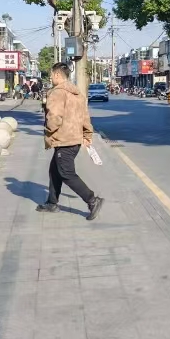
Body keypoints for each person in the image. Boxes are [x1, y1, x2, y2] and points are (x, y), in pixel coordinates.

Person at [39, 62, 104, 220]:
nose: (51, 78)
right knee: (54, 171)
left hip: (64, 140)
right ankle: (52, 203)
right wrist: (87, 135)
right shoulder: (77, 94)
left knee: (66, 173)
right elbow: (85, 117)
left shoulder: (57, 93)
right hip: (74, 139)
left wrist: (48, 131)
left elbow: (54, 117)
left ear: (57, 75)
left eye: (51, 75)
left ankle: (92, 200)